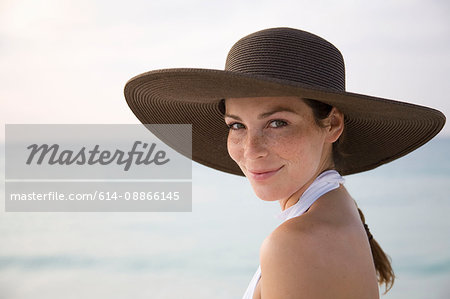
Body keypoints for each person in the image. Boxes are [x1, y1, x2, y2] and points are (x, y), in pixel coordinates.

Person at [124, 27, 445, 298]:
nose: (251, 149)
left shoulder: (294, 243)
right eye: (236, 125)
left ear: (332, 124)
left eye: (277, 123)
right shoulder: (337, 209)